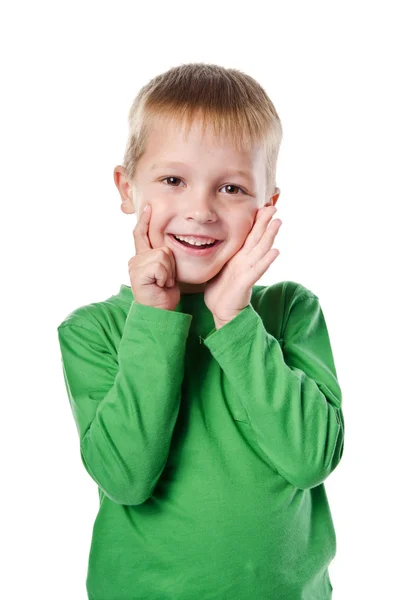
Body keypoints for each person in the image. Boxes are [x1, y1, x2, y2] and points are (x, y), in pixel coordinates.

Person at [57, 62, 344, 600]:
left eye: (232, 188)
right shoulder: (92, 330)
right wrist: (156, 318)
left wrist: (235, 317)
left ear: (267, 206)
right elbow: (125, 478)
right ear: (126, 187)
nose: (200, 210)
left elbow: (312, 460)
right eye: (173, 180)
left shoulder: (290, 311)